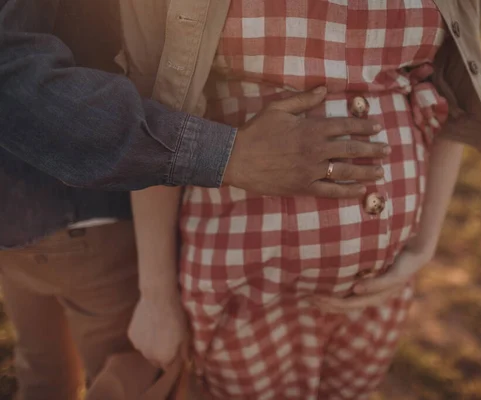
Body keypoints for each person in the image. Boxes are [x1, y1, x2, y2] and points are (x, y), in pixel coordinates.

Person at [0, 0, 390, 398]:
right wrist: (230, 154)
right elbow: (11, 69)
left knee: (41, 373)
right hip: (92, 223)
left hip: (16, 215)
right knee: (126, 379)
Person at [126, 0, 481, 398]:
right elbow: (156, 107)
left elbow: (453, 95)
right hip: (244, 284)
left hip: (377, 287)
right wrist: (156, 294)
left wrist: (424, 242)